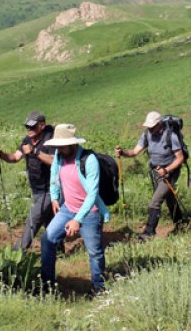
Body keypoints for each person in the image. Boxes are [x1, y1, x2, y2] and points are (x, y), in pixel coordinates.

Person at [41, 124, 110, 295]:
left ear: (73, 143)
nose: (58, 149)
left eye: (62, 146)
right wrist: (54, 197)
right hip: (67, 208)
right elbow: (54, 175)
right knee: (47, 240)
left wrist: (77, 219)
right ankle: (47, 286)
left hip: (90, 212)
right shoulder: (59, 156)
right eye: (57, 146)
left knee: (94, 252)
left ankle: (99, 289)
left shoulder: (89, 160)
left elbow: (92, 193)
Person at [115, 111, 185, 241]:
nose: (150, 129)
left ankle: (149, 232)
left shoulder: (170, 136)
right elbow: (134, 151)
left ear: (159, 124)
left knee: (155, 202)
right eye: (148, 127)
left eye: (152, 127)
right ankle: (180, 225)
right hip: (156, 172)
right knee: (169, 198)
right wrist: (123, 153)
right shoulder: (147, 134)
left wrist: (166, 170)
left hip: (170, 172)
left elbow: (180, 158)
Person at [0, 111, 55, 251]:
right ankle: (58, 249)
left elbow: (53, 161)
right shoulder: (27, 140)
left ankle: (17, 253)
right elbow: (15, 157)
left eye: (32, 126)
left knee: (34, 219)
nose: (28, 129)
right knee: (48, 220)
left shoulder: (51, 140)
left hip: (50, 189)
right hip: (36, 189)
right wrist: (2, 155)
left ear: (42, 125)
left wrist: (35, 152)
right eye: (27, 126)